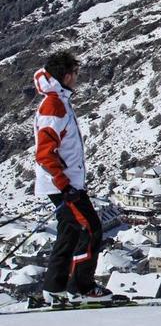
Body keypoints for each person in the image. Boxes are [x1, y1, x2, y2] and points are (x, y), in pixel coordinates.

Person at [33, 51, 112, 304]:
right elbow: (45, 153)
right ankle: (82, 287)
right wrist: (65, 185)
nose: (78, 78)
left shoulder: (59, 100)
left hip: (64, 182)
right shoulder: (54, 105)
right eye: (76, 73)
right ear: (67, 75)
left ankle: (54, 288)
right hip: (62, 183)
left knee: (70, 231)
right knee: (91, 228)